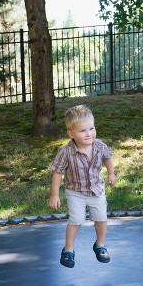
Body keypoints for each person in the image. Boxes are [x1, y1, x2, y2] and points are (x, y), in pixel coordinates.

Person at [49, 105, 116, 268]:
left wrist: (111, 173)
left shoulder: (99, 146)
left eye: (91, 128)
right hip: (75, 192)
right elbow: (57, 172)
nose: (89, 134)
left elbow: (107, 158)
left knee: (101, 218)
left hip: (96, 190)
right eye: (82, 131)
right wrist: (54, 195)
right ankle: (68, 249)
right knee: (76, 220)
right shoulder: (66, 152)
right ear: (71, 133)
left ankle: (100, 245)